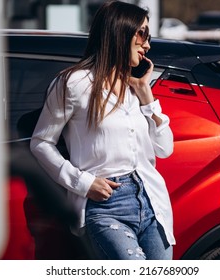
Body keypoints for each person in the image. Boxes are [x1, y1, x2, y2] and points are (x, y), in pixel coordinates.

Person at [30, 0, 175, 260]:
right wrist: (83, 183)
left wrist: (146, 94)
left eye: (149, 36)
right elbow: (41, 142)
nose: (148, 45)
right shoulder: (73, 84)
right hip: (106, 205)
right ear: (119, 32)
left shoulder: (136, 88)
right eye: (142, 34)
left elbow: (165, 149)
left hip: (152, 202)